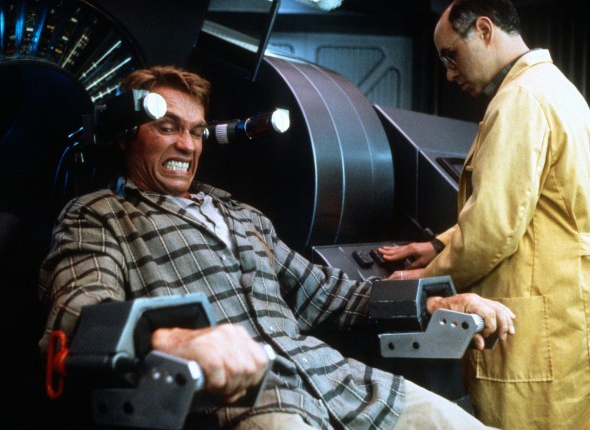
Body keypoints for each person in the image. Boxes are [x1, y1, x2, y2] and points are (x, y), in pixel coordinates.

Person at [38, 65, 515, 430]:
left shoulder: (242, 216)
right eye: (167, 127)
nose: (187, 145)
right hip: (242, 406)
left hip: (342, 383)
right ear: (126, 136)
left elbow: (331, 294)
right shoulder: (97, 216)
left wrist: (434, 303)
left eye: (197, 131)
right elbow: (77, 318)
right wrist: (173, 341)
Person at [377, 1, 590, 429]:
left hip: (529, 333)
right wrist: (437, 243)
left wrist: (421, 281)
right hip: (565, 316)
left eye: (451, 56)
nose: (450, 73)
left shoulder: (520, 100)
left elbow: (492, 229)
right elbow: (530, 205)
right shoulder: (557, 88)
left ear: (485, 29)